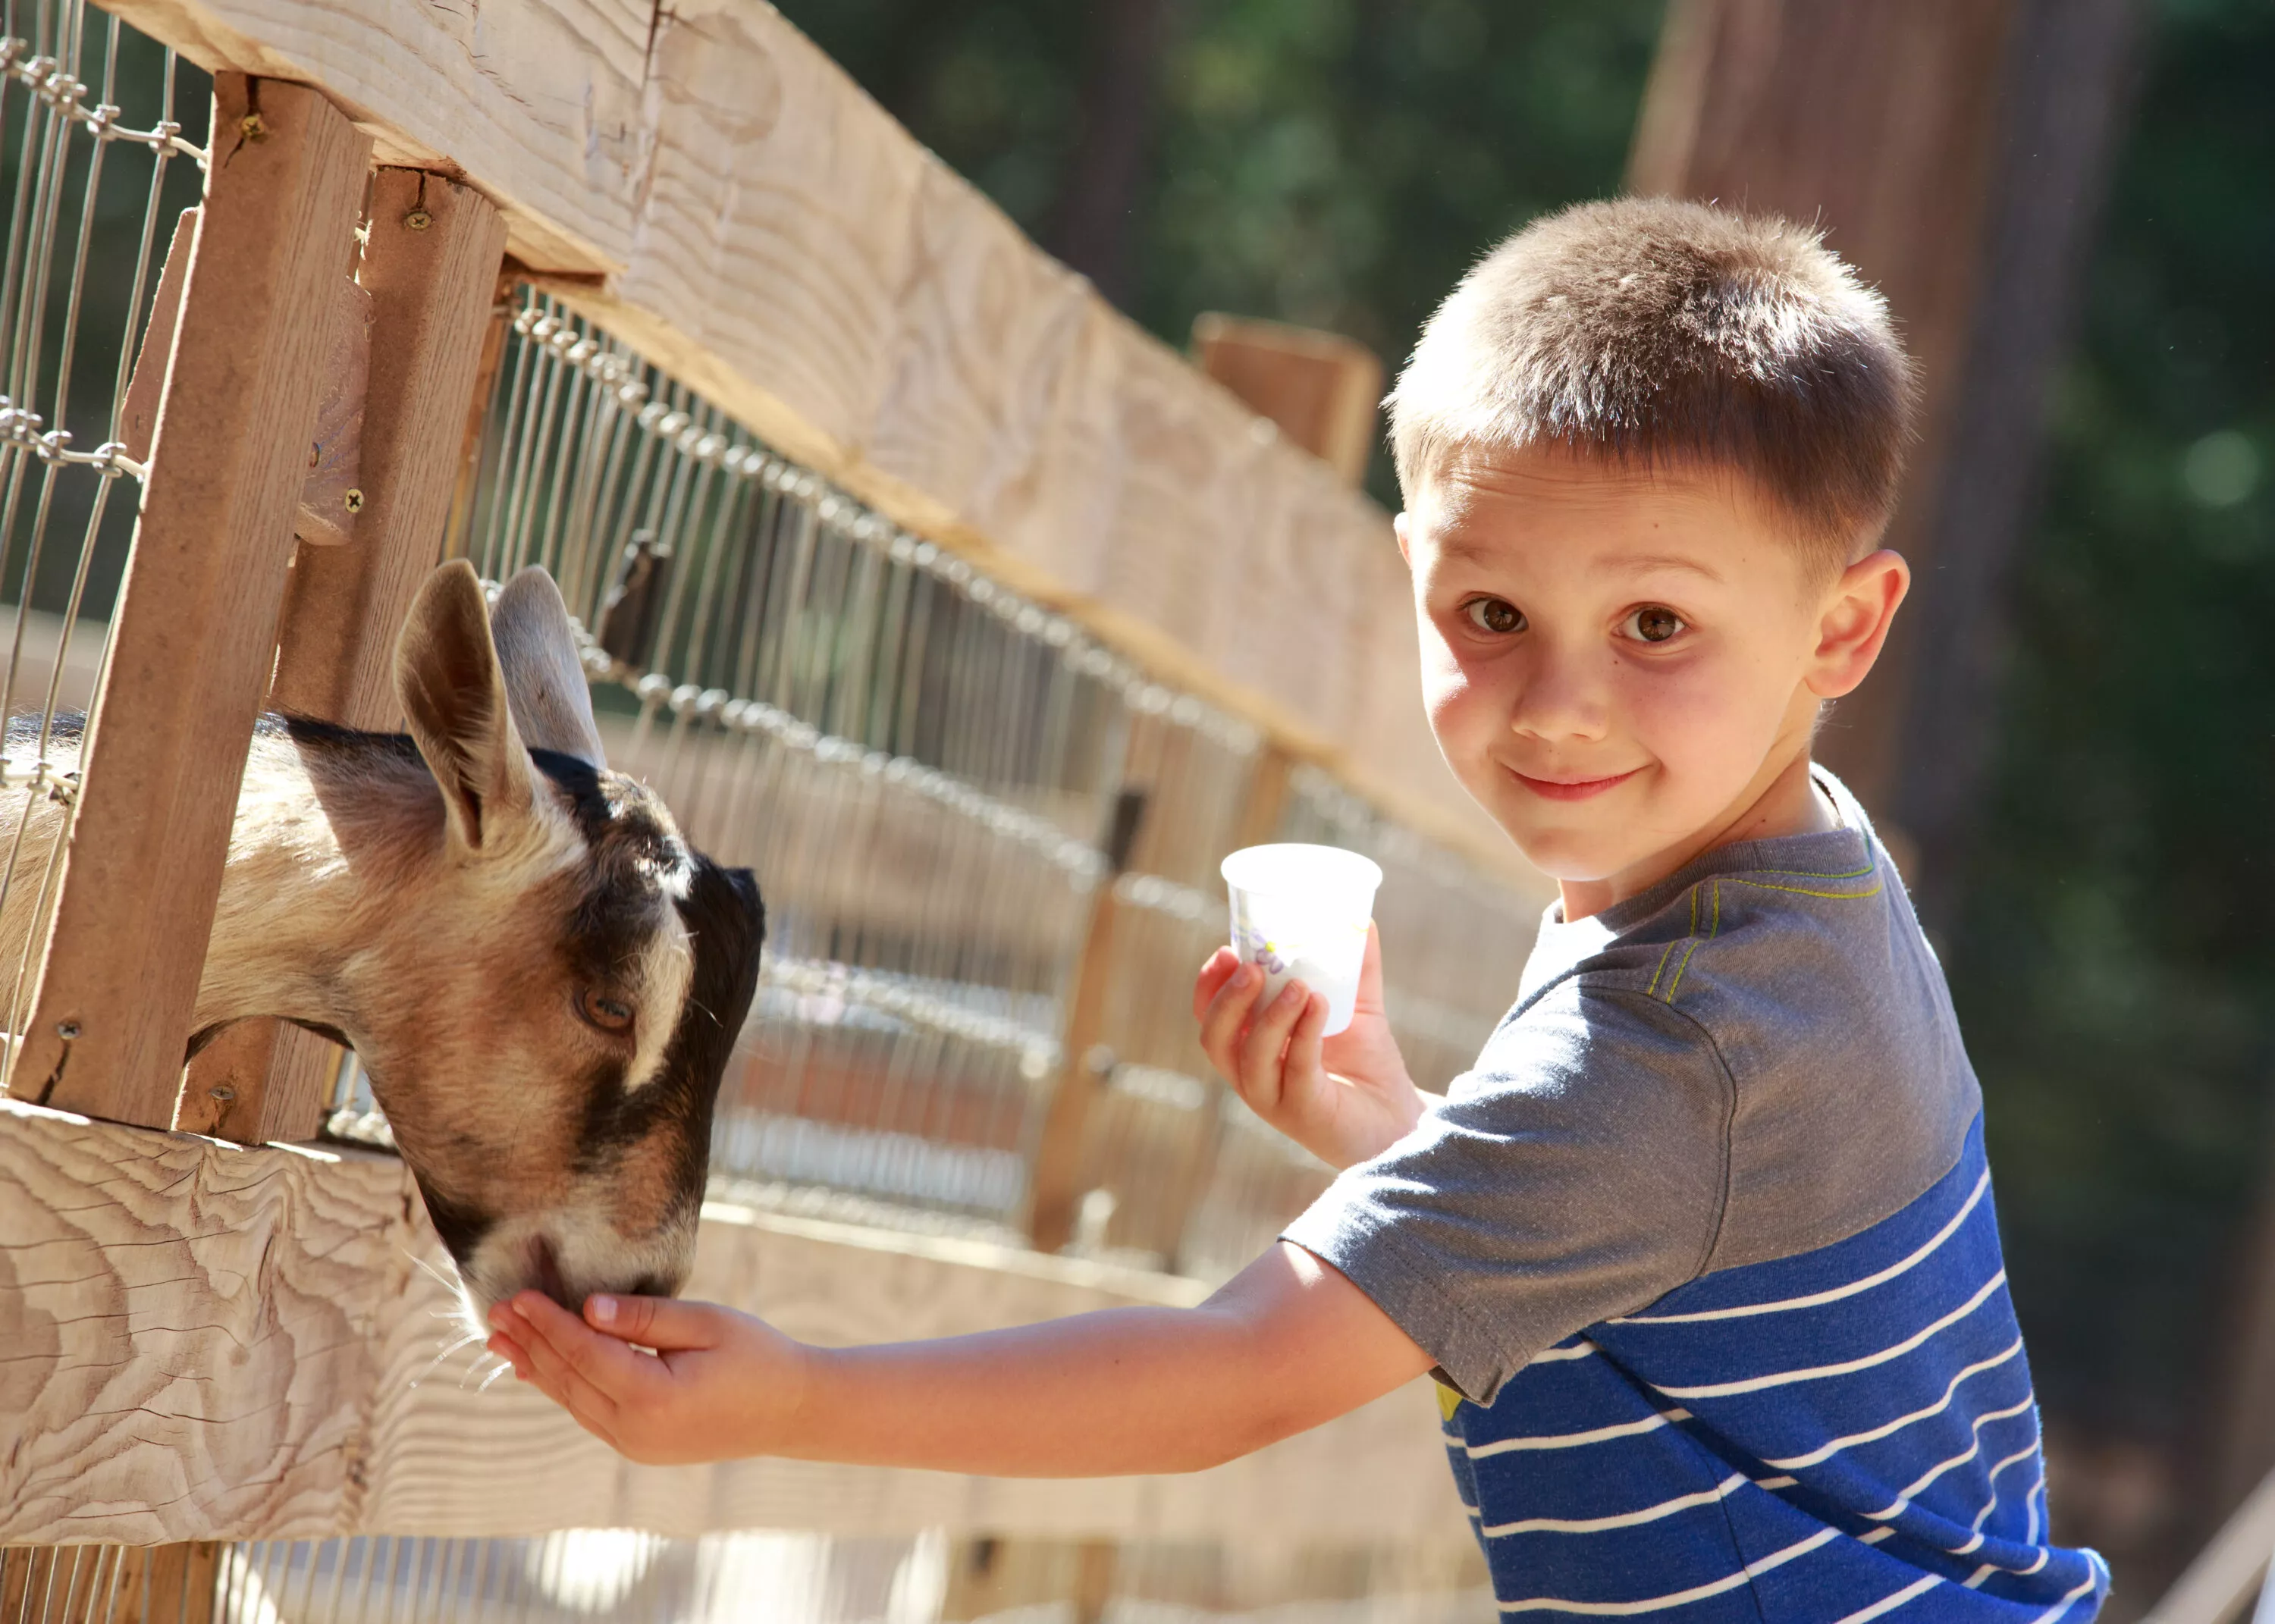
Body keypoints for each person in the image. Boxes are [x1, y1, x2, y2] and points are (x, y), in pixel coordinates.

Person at [487, 196, 2108, 1619]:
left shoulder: (1689, 1037)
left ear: (1843, 631)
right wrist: (1405, 1133)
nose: (1558, 705)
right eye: (1492, 612)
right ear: (1413, 574)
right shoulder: (1789, 882)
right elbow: (1655, 1279)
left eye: (1658, 627)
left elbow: (1240, 1374)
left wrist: (798, 1402)